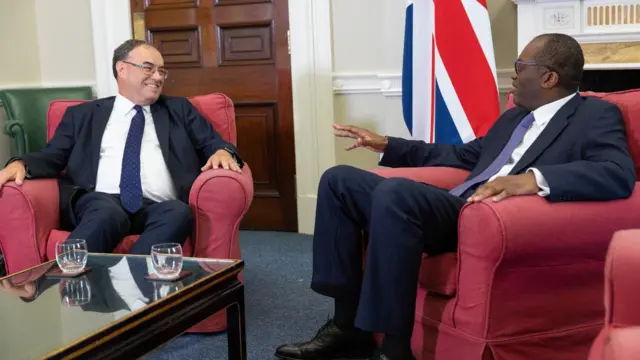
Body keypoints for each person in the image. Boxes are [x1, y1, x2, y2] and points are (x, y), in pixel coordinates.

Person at [274, 33, 636, 360]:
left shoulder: (594, 114)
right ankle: (346, 325)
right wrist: (388, 145)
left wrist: (532, 180)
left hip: (490, 217)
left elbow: (618, 173)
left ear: (549, 77)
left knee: (397, 192)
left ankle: (395, 348)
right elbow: (461, 156)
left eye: (520, 66)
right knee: (339, 180)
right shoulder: (514, 119)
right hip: (456, 207)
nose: (511, 74)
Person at [0, 39, 243, 255]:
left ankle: (129, 287)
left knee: (178, 213)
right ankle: (64, 284)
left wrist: (222, 151)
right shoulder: (82, 115)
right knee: (107, 213)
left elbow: (213, 142)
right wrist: (20, 163)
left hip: (158, 206)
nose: (158, 77)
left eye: (162, 71)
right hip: (99, 201)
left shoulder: (179, 110)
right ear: (122, 69)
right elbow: (53, 155)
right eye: (149, 68)